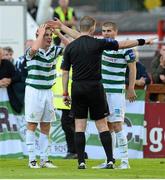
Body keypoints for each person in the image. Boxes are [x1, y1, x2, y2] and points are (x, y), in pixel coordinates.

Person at [47, 16, 154, 169]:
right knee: (104, 126)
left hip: (93, 89)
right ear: (94, 29)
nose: (105, 33)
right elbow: (83, 37)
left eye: (109, 31)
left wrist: (62, 28)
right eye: (103, 30)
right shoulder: (98, 43)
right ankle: (110, 160)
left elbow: (68, 65)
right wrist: (143, 41)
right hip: (98, 89)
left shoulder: (80, 46)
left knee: (101, 125)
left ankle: (111, 161)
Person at [25, 24, 63, 168]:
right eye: (45, 35)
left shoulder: (54, 50)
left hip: (48, 91)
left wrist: (59, 32)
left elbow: (72, 46)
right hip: (34, 91)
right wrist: (40, 33)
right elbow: (34, 49)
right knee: (32, 124)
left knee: (46, 126)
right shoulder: (31, 51)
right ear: (38, 36)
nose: (48, 38)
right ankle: (32, 159)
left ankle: (44, 159)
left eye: (49, 35)